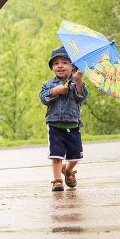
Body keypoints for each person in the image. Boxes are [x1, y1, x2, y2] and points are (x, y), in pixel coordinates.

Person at [39, 46, 88, 191]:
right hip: (54, 125)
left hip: (72, 124)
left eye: (65, 62)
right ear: (52, 67)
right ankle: (57, 180)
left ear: (72, 66)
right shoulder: (48, 84)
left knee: (75, 156)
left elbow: (81, 96)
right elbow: (43, 98)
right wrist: (55, 91)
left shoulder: (76, 82)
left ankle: (67, 169)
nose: (60, 65)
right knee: (56, 154)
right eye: (56, 63)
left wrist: (78, 81)